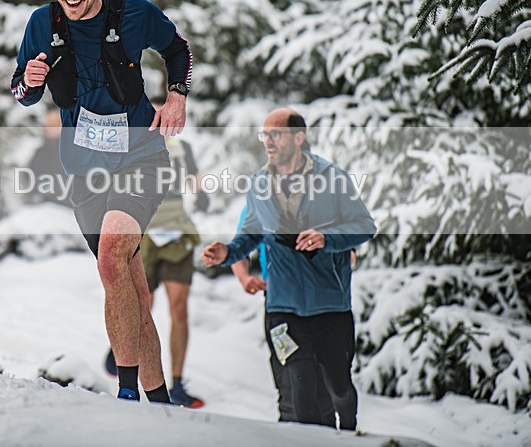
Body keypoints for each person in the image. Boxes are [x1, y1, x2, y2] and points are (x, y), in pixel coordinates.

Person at [10, 0, 192, 404]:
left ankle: (126, 393)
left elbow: (179, 51)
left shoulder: (133, 15)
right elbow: (20, 89)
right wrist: (28, 84)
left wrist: (176, 95)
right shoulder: (41, 23)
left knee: (112, 255)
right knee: (128, 287)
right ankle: (159, 401)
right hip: (85, 173)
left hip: (140, 158)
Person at [202, 107, 375, 430]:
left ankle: (349, 433)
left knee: (339, 388)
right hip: (283, 307)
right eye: (264, 134)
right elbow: (250, 235)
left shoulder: (332, 178)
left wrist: (327, 238)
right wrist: (226, 252)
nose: (267, 141)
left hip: (330, 304)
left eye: (275, 134)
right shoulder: (259, 183)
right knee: (301, 386)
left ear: (298, 137)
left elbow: (365, 226)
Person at [104, 97, 207, 408]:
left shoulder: (182, 147)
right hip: (143, 231)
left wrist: (202, 194)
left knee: (179, 309)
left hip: (177, 231)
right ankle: (124, 353)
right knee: (136, 299)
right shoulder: (132, 144)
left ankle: (177, 382)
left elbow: (195, 177)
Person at [231, 204, 336, 426]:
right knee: (291, 387)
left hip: (323, 308)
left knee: (325, 393)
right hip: (280, 306)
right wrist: (244, 277)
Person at [26, 107, 71, 206]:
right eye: (49, 125)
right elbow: (29, 180)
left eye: (55, 125)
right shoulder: (40, 153)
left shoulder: (73, 152)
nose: (51, 129)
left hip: (70, 209)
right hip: (45, 206)